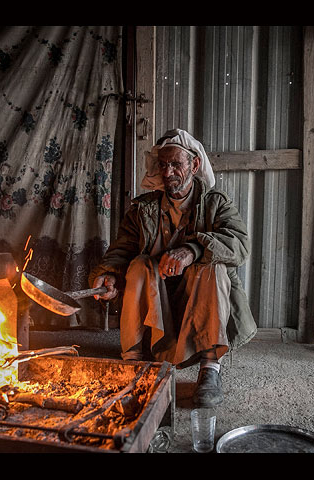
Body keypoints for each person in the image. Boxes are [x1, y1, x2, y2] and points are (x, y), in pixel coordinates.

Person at [89, 128, 257, 407]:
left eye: (176, 164)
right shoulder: (143, 209)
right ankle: (134, 364)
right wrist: (107, 275)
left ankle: (209, 369)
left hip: (199, 303)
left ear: (194, 165)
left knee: (211, 267)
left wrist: (194, 250)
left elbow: (239, 245)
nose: (167, 173)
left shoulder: (217, 204)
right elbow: (121, 250)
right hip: (157, 305)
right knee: (140, 264)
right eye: (163, 164)